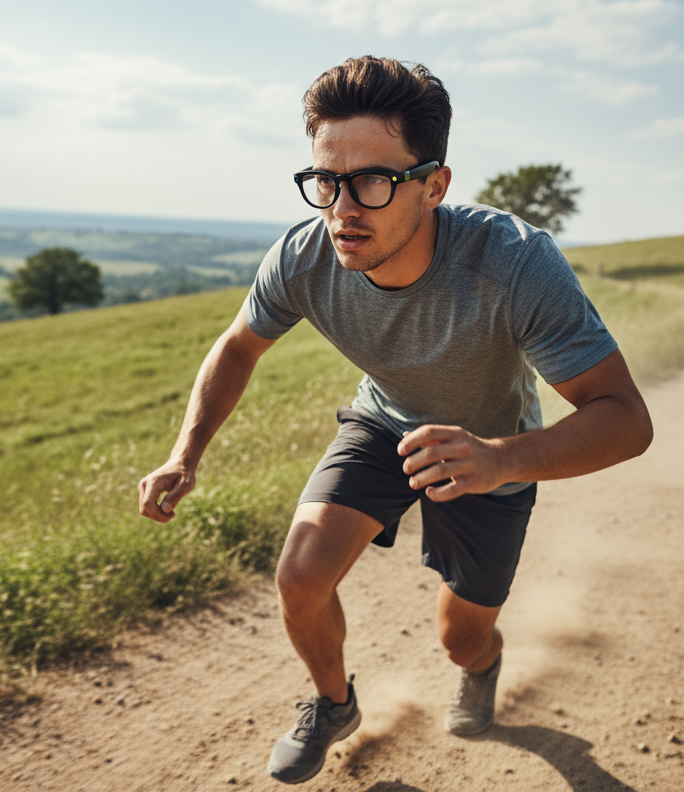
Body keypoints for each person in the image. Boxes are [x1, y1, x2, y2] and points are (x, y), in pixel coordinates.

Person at [138, 56, 653, 785]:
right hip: (385, 423)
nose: (342, 208)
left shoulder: (515, 264)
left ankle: (482, 666)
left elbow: (626, 420)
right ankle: (333, 703)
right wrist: (184, 454)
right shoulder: (303, 256)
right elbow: (238, 347)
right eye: (326, 180)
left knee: (460, 638)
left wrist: (499, 458)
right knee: (300, 577)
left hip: (493, 451)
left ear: (434, 185)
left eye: (373, 181)